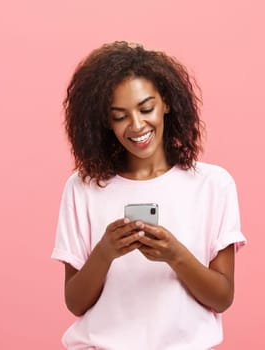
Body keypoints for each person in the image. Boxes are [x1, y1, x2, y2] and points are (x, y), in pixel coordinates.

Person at [51, 41, 247, 349]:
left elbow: (222, 298)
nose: (137, 125)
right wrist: (105, 251)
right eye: (120, 116)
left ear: (166, 102)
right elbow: (75, 303)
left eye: (146, 108)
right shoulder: (83, 188)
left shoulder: (213, 185)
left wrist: (175, 254)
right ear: (106, 122)